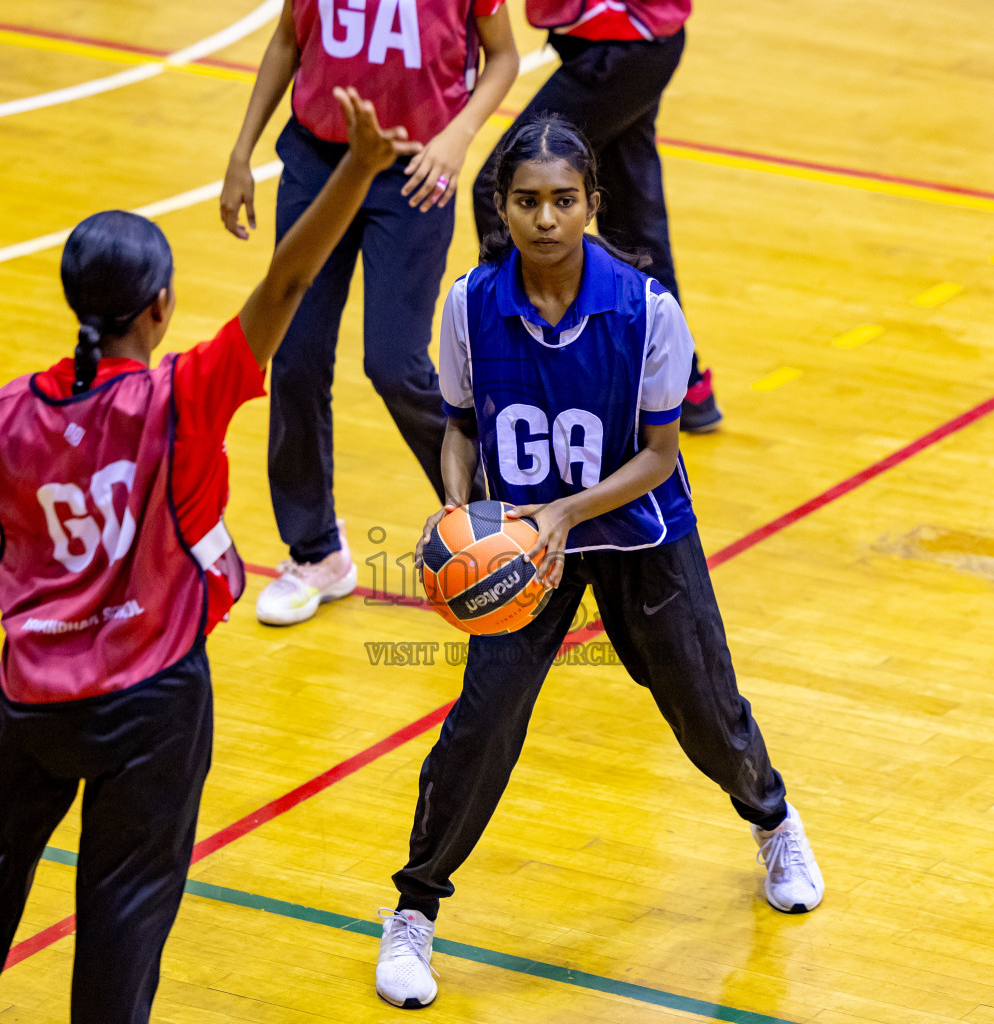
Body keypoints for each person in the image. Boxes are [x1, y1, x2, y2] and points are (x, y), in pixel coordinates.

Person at [0, 88, 418, 1024]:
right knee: (122, 928)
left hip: (32, 701)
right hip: (152, 707)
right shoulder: (183, 397)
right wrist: (358, 167)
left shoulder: (7, 421)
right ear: (159, 308)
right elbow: (287, 287)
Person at [373, 117, 821, 1010]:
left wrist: (562, 515)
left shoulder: (647, 310)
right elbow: (459, 425)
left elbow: (660, 455)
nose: (546, 218)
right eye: (528, 201)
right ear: (500, 207)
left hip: (640, 531)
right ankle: (414, 911)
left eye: (563, 201)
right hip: (522, 550)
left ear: (591, 207)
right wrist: (463, 507)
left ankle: (772, 819)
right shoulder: (468, 303)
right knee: (482, 722)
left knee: (704, 707)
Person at [220, 0, 519, 626]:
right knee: (295, 356)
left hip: (416, 169)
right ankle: (316, 553)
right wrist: (241, 152)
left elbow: (505, 57)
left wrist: (457, 135)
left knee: (394, 361)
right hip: (316, 162)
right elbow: (284, 43)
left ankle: (495, 525)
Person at [470, 0, 725, 433]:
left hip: (621, 45)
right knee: (633, 223)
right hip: (636, 41)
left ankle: (535, 369)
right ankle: (681, 382)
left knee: (504, 187)